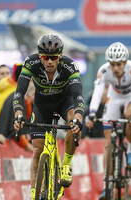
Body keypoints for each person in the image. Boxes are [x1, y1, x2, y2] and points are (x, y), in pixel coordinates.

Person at [12, 33, 85, 200]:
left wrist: (78, 119)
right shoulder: (31, 63)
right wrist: (18, 115)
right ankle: (34, 194)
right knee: (38, 149)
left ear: (60, 55)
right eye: (45, 57)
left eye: (53, 57)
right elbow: (19, 93)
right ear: (40, 55)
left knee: (74, 120)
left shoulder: (69, 66)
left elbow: (78, 97)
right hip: (42, 105)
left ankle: (66, 163)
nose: (50, 61)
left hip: (64, 102)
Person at [85, 42, 131, 200]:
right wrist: (91, 113)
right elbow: (97, 93)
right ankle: (106, 187)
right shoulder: (103, 70)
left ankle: (130, 150)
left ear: (124, 62)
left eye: (118, 64)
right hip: (114, 98)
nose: (115, 68)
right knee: (108, 143)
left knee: (129, 115)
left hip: (130, 98)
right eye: (112, 64)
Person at [0, 63, 33, 152]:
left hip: (2, 140)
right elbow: (14, 127)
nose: (5, 76)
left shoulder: (17, 93)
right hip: (0, 140)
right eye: (2, 74)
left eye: (7, 73)